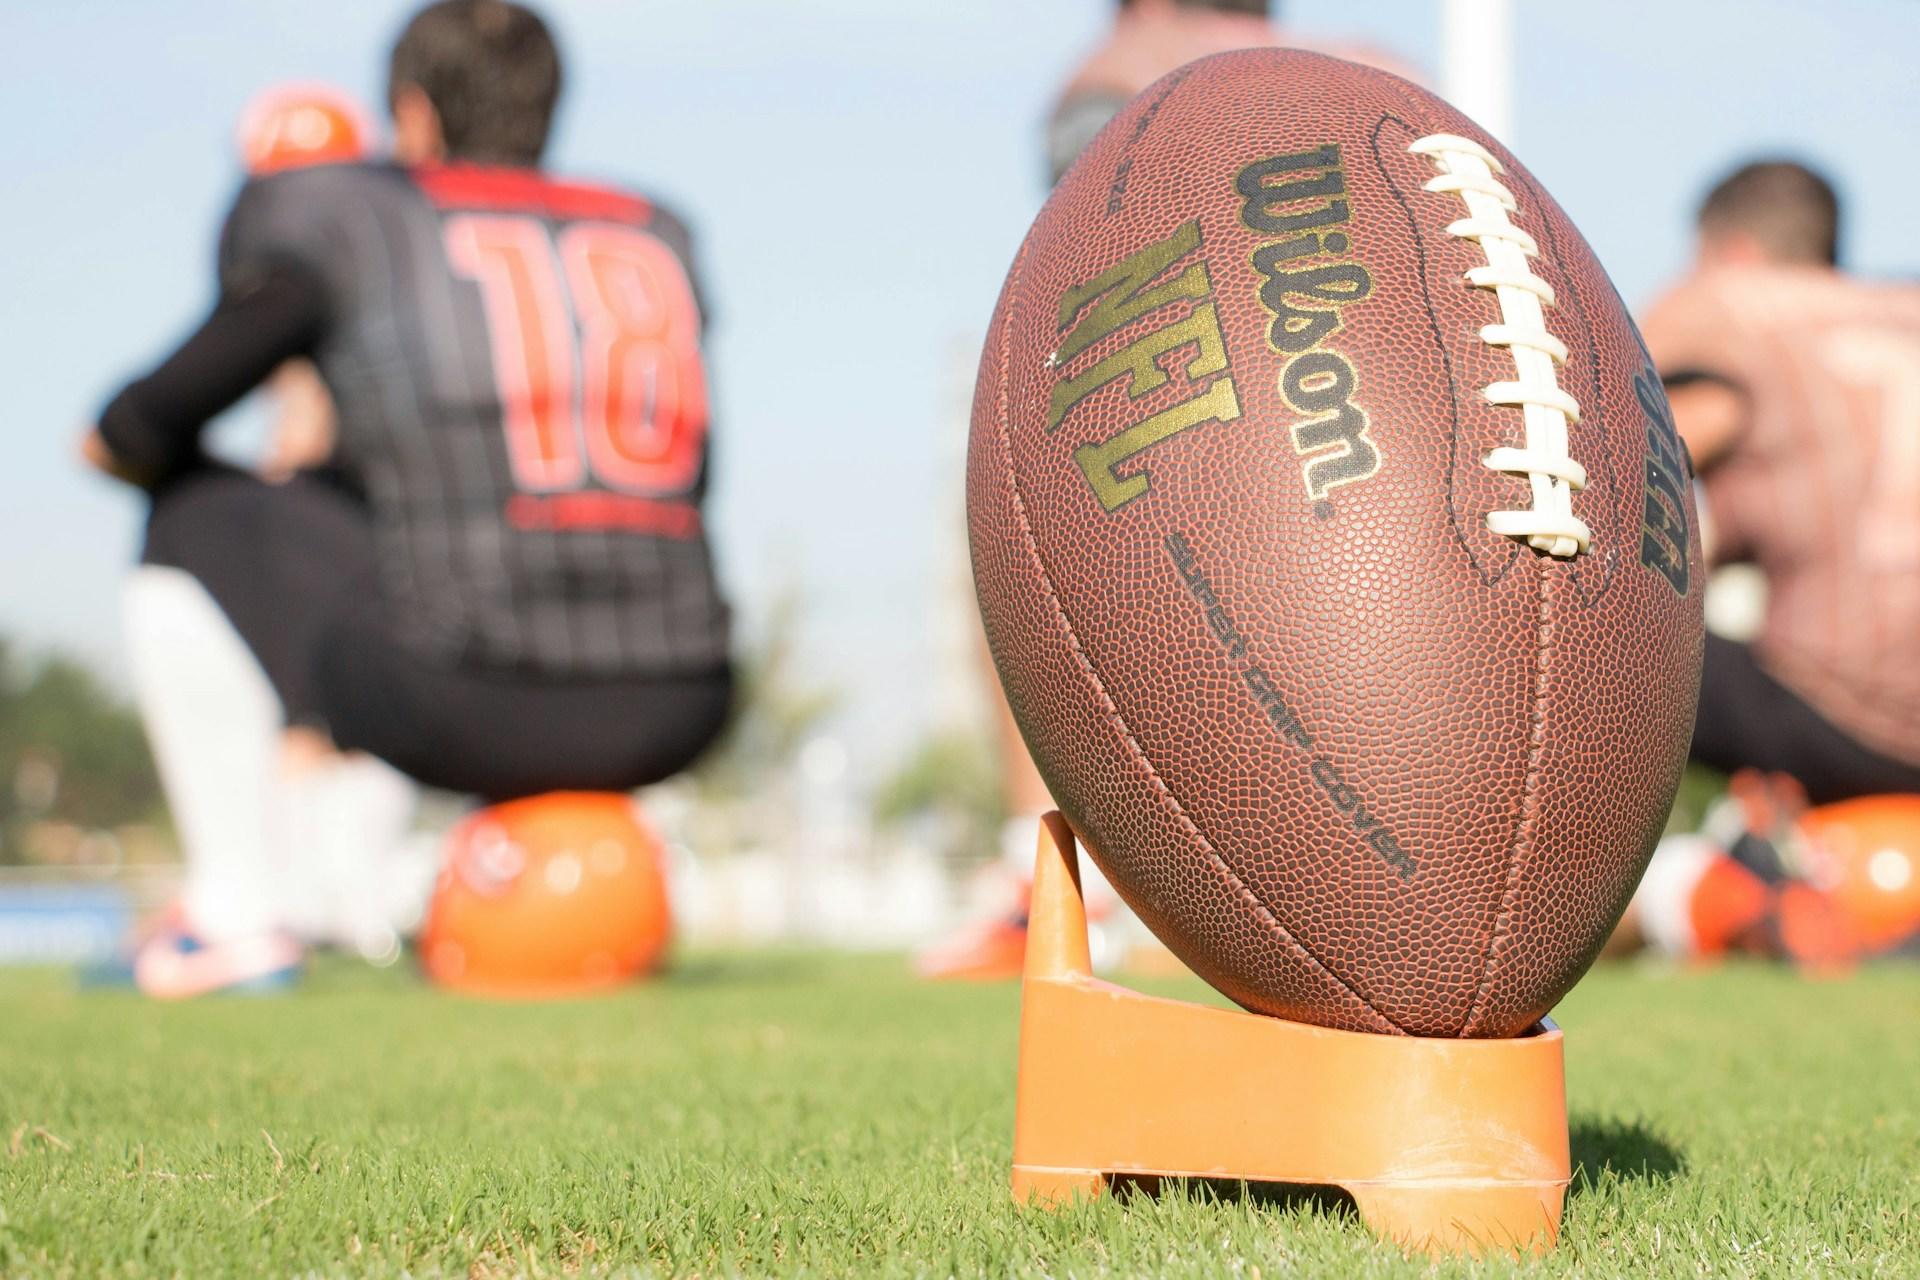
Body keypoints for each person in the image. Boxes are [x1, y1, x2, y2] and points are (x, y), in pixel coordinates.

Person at [83, 0, 732, 996]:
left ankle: (233, 913)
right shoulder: (653, 232)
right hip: (681, 695)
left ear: (415, 116)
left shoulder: (365, 220)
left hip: (470, 689)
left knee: (188, 506)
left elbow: (139, 424)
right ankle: (335, 889)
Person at [919, 0, 1409, 980]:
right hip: (1382, 414)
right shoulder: (1374, 67)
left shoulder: (1125, 60)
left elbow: (1094, 261)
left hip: (1215, 399)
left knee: (1018, 531)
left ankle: (1054, 880)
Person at [1618, 159, 1920, 966]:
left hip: (1839, 701)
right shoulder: (1902, 305)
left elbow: (1633, 481)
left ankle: (1509, 911)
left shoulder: (1731, 307)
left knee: (1569, 627)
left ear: (1737, 253)